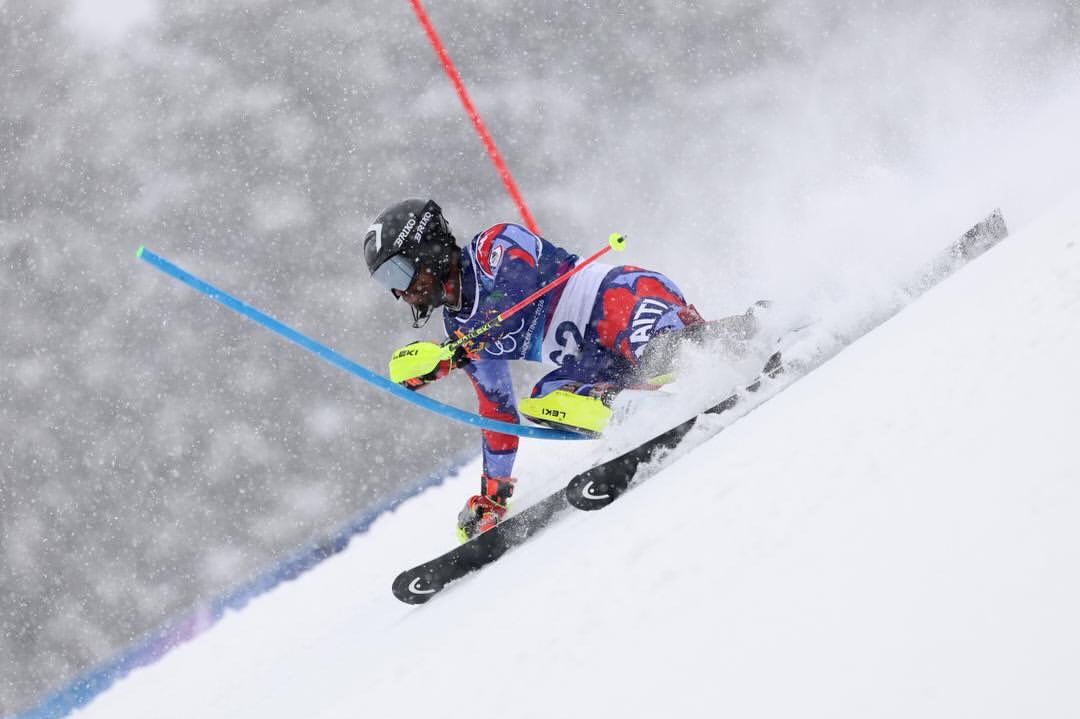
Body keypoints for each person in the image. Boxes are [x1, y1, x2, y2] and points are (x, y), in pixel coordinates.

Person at [363, 198, 763, 540]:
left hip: (621, 302)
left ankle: (759, 330)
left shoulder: (493, 246)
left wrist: (455, 351)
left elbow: (517, 287)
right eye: (387, 284)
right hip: (592, 362)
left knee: (664, 355)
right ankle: (637, 412)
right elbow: (497, 409)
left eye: (398, 273)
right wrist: (494, 494)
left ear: (427, 250)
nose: (400, 292)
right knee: (541, 401)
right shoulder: (459, 328)